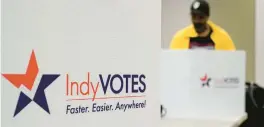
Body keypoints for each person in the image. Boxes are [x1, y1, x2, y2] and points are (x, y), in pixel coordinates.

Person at [169, 0, 236, 50]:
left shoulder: (222, 37)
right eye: (194, 16)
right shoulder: (180, 38)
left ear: (207, 17)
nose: (197, 21)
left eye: (201, 17)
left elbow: (230, 62)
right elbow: (173, 63)